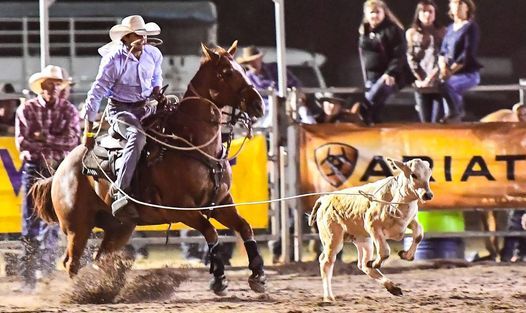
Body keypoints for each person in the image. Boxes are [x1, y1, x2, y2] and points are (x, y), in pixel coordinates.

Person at [82, 15, 164, 222]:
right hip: (120, 110)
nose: (142, 39)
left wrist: (157, 90)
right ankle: (121, 190)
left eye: (144, 35)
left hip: (146, 106)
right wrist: (88, 129)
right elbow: (97, 91)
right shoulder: (113, 60)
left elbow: (156, 77)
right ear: (126, 37)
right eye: (137, 35)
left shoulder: (153, 54)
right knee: (137, 137)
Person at [14, 65, 81, 292]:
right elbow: (23, 143)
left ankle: (45, 272)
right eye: (47, 84)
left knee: (54, 222)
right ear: (41, 87)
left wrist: (42, 138)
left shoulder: (68, 110)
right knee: (31, 221)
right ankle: (31, 276)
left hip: (59, 172)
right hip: (40, 168)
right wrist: (55, 140)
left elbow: (73, 140)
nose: (51, 88)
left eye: (55, 83)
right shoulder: (28, 109)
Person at [358, 0, 409, 125]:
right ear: (366, 14)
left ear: (384, 13)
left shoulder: (393, 30)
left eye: (378, 12)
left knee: (367, 105)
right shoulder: (364, 31)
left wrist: (391, 73)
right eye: (372, 12)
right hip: (371, 77)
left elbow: (399, 54)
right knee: (374, 112)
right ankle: (374, 132)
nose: (375, 15)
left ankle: (357, 113)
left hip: (389, 76)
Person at [236, 45, 305, 127]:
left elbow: (295, 83)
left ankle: (311, 128)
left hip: (288, 105)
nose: (253, 64)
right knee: (267, 120)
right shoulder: (247, 78)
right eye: (249, 62)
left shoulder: (275, 69)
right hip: (266, 111)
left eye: (255, 60)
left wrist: (299, 94)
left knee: (303, 111)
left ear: (260, 59)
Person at [438, 0, 482, 123]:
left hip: (467, 73)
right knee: (447, 87)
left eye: (461, 3)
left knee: (446, 85)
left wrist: (450, 71)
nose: (457, 6)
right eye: (455, 3)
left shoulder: (470, 27)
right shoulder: (450, 29)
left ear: (467, 8)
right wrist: (443, 68)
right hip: (450, 74)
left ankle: (455, 113)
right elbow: (443, 51)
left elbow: (467, 54)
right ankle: (453, 116)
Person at [406, 0, 446, 123]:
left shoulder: (442, 32)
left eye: (430, 11)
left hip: (438, 84)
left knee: (437, 123)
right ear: (418, 14)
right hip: (420, 85)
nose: (427, 15)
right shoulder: (411, 33)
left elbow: (444, 57)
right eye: (424, 11)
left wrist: (431, 78)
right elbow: (410, 58)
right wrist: (420, 78)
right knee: (425, 124)